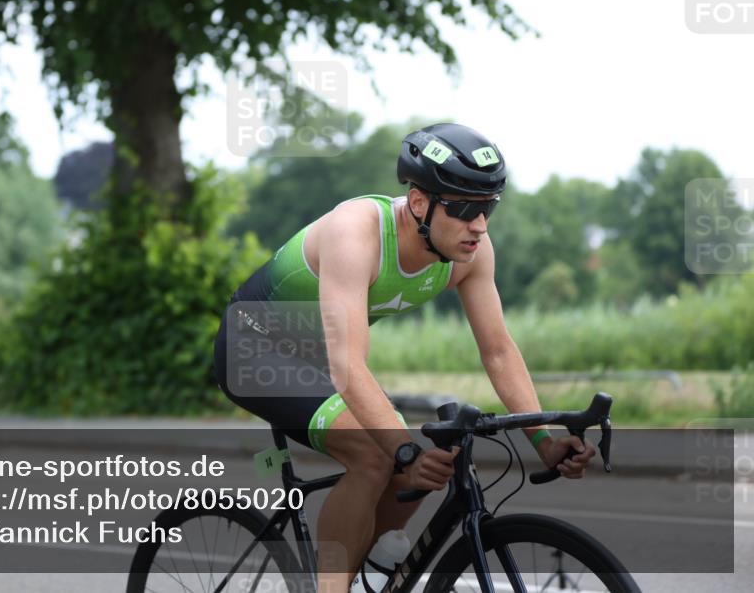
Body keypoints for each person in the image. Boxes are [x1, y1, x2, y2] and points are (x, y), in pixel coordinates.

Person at [213, 122, 597, 592]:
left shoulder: (470, 252)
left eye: (488, 208)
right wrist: (403, 450)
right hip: (254, 350)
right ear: (419, 203)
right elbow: (348, 367)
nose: (479, 225)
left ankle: (368, 575)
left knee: (426, 462)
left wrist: (544, 441)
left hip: (324, 357)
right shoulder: (355, 233)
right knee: (379, 455)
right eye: (464, 209)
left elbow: (498, 351)